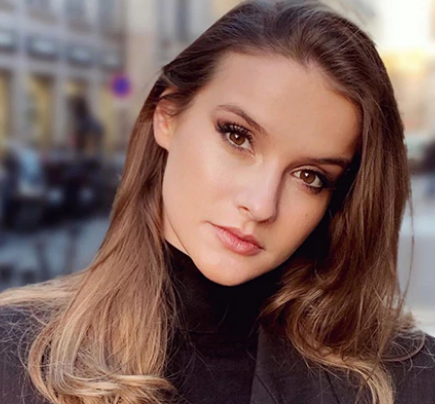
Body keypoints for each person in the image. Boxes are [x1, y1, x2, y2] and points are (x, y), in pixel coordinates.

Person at [1, 1, 434, 403]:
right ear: (167, 116)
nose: (261, 205)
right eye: (237, 136)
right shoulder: (15, 356)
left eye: (310, 176)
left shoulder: (410, 378)